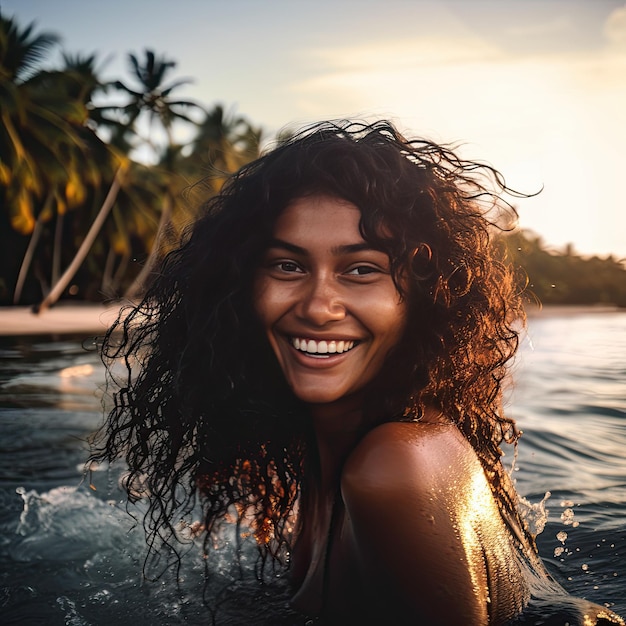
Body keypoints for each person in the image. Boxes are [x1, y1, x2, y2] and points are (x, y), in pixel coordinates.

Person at [90, 120, 624, 625]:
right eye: (288, 265)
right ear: (239, 292)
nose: (319, 306)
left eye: (361, 269)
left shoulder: (394, 468)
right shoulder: (327, 450)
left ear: (423, 298)